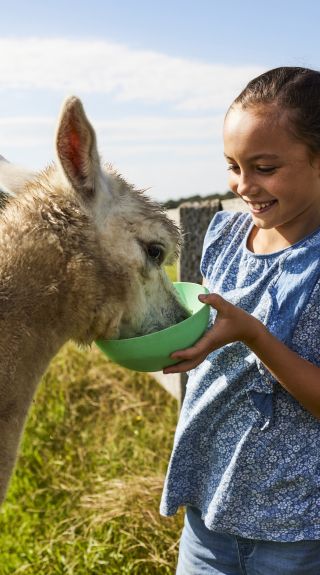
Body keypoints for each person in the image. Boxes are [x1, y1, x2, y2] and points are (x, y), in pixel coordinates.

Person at [161, 67, 320, 575]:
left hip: (294, 530)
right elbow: (216, 331)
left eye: (265, 167)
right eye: (232, 165)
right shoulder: (226, 235)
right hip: (208, 514)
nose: (244, 185)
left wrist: (254, 334)